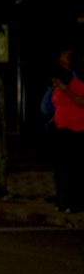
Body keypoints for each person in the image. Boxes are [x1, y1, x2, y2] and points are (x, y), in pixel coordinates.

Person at [50, 62, 84, 213]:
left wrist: (68, 91)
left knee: (74, 167)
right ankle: (64, 198)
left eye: (56, 81)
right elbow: (58, 104)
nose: (55, 84)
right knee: (62, 167)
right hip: (61, 129)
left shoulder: (77, 85)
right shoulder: (57, 89)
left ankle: (76, 201)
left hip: (76, 130)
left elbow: (81, 102)